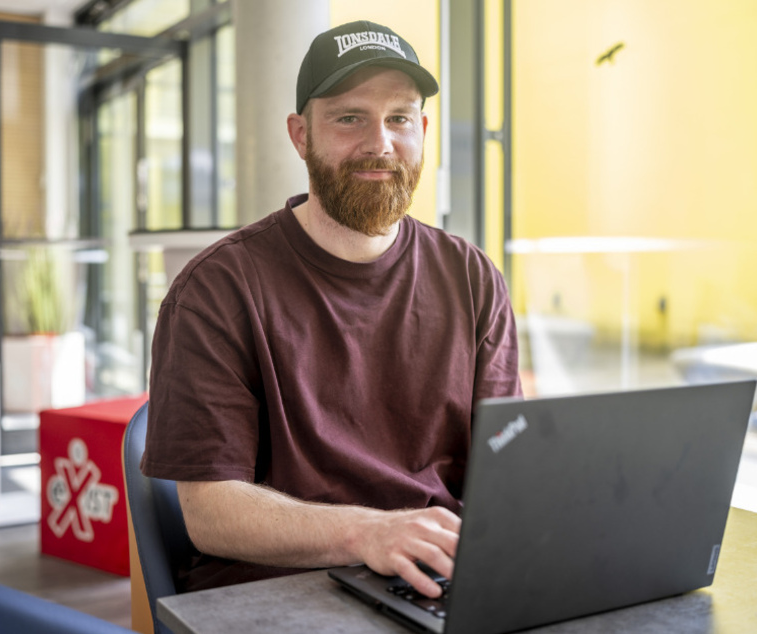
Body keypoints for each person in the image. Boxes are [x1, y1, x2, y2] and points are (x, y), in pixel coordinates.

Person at [140, 20, 522, 599]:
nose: (380, 143)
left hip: (438, 580)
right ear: (300, 135)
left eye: (399, 118)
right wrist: (371, 533)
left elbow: (506, 467)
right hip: (279, 594)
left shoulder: (472, 278)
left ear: (422, 129)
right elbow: (210, 512)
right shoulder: (217, 290)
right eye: (349, 118)